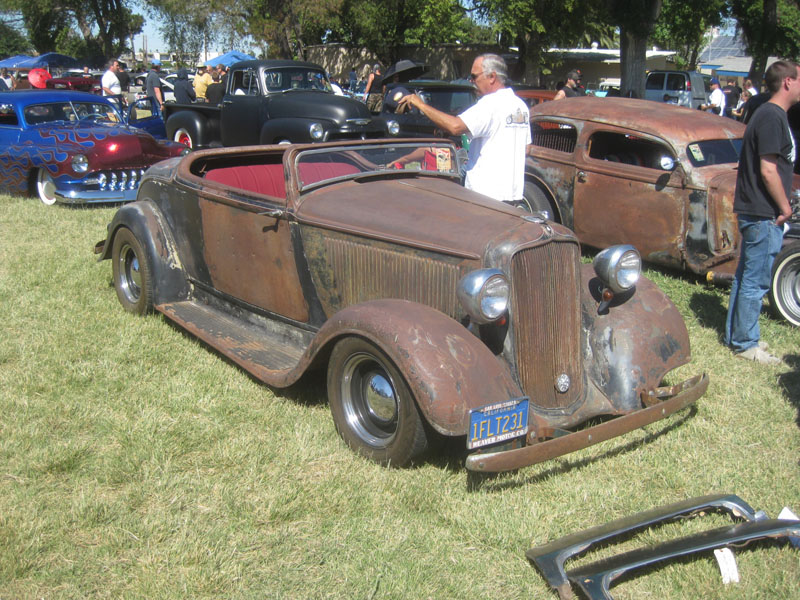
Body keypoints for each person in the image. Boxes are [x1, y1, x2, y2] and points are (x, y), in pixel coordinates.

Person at [724, 60, 800, 365]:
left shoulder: (771, 114)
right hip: (761, 211)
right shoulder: (771, 116)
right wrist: (784, 207)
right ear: (787, 83)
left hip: (758, 210)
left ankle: (739, 335)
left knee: (746, 277)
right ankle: (745, 343)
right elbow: (768, 170)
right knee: (755, 281)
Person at [397, 53, 530, 205]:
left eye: (474, 76)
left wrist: (420, 104)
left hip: (485, 197)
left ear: (492, 77)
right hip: (512, 196)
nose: (472, 81)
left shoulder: (490, 105)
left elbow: (455, 127)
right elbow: (526, 148)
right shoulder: (520, 106)